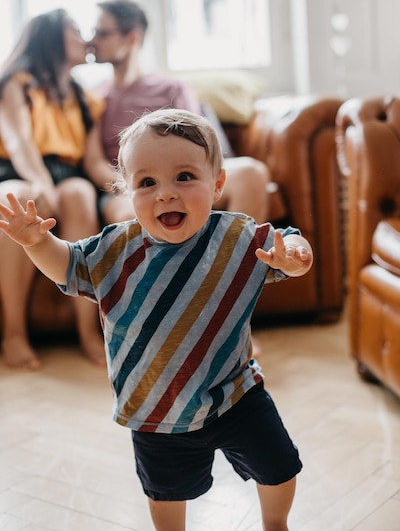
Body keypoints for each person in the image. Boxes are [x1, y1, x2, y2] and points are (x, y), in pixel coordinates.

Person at [0, 108, 313, 531]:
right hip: (154, 410)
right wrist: (38, 242)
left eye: (185, 177)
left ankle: (276, 523)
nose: (166, 193)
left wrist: (295, 257)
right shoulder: (114, 249)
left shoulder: (237, 238)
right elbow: (67, 266)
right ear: (127, 192)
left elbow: (288, 243)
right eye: (147, 183)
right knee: (166, 497)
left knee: (279, 468)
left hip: (236, 395)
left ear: (217, 183)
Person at [83, 0, 272, 227]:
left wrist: (182, 181)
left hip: (183, 176)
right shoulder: (93, 98)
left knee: (252, 173)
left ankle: (237, 260)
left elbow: (199, 144)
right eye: (94, 31)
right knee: (133, 210)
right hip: (126, 186)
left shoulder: (171, 88)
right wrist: (139, 186)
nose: (92, 41)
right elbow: (94, 162)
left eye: (102, 33)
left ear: (132, 38)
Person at [0, 8, 106, 369]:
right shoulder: (16, 81)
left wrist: (135, 186)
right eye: (74, 30)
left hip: (68, 172)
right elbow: (19, 142)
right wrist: (42, 185)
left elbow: (92, 162)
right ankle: (13, 333)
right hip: (17, 169)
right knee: (20, 199)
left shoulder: (85, 98)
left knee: (80, 193)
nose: (84, 38)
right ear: (51, 37)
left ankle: (88, 331)